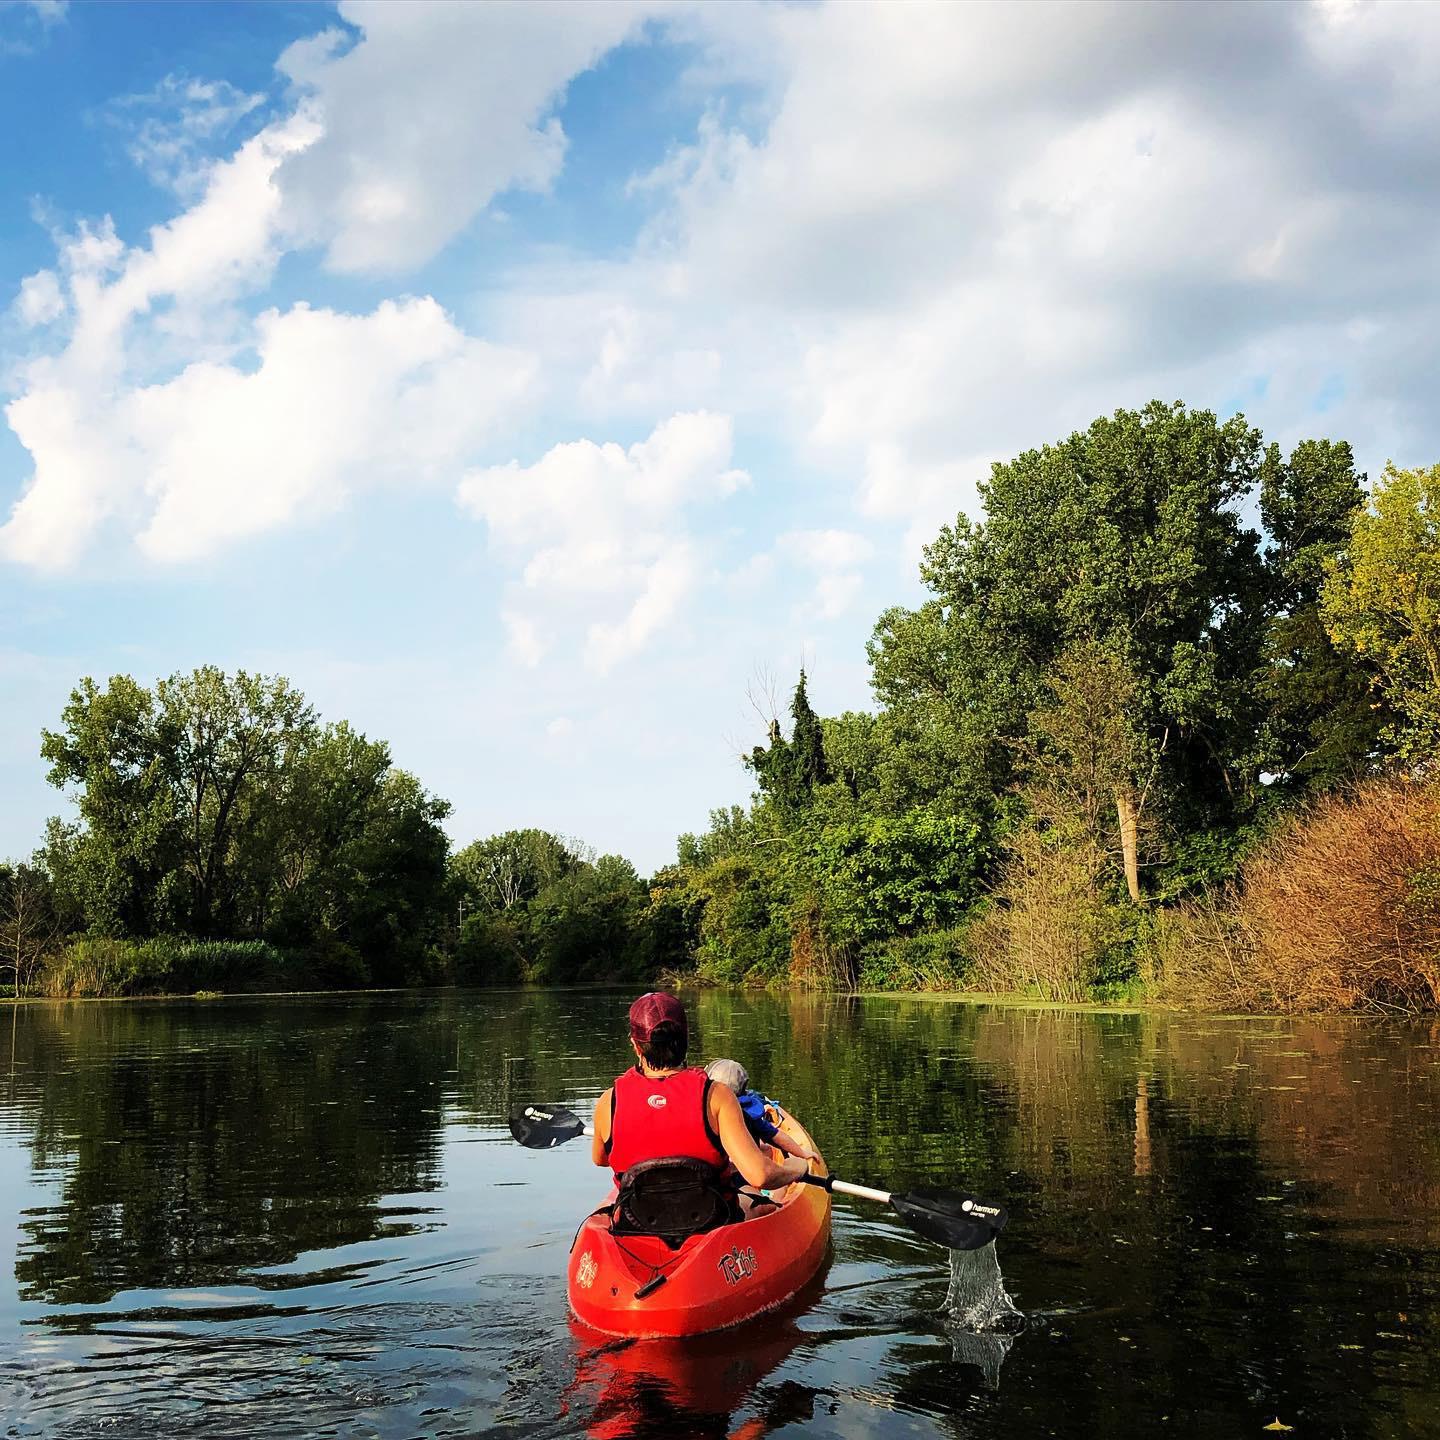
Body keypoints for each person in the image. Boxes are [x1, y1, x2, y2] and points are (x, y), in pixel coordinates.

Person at [590, 992, 811, 1196]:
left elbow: (601, 1159)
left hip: (635, 1222)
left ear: (636, 1046)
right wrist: (796, 1169)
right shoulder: (716, 1095)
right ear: (686, 1039)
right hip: (710, 1219)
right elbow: (760, 1176)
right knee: (753, 1196)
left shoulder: (609, 1101)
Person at [705, 1058, 818, 1163]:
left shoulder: (700, 1109)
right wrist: (802, 1153)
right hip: (740, 1169)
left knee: (766, 1149)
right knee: (767, 1150)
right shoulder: (749, 1115)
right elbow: (777, 1136)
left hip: (713, 1167)